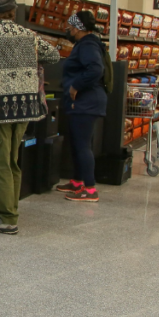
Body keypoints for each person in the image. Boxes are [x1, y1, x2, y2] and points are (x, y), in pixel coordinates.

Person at [0, 0, 60, 234]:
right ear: (13, 11)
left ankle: (6, 217)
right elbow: (54, 55)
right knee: (11, 161)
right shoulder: (30, 35)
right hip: (25, 107)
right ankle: (8, 210)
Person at [56, 11, 108, 202]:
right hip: (84, 102)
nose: (68, 31)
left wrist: (75, 86)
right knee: (78, 143)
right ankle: (77, 182)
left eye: (69, 28)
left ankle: (90, 189)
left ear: (77, 28)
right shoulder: (87, 44)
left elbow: (95, 69)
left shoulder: (87, 45)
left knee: (83, 146)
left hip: (86, 102)